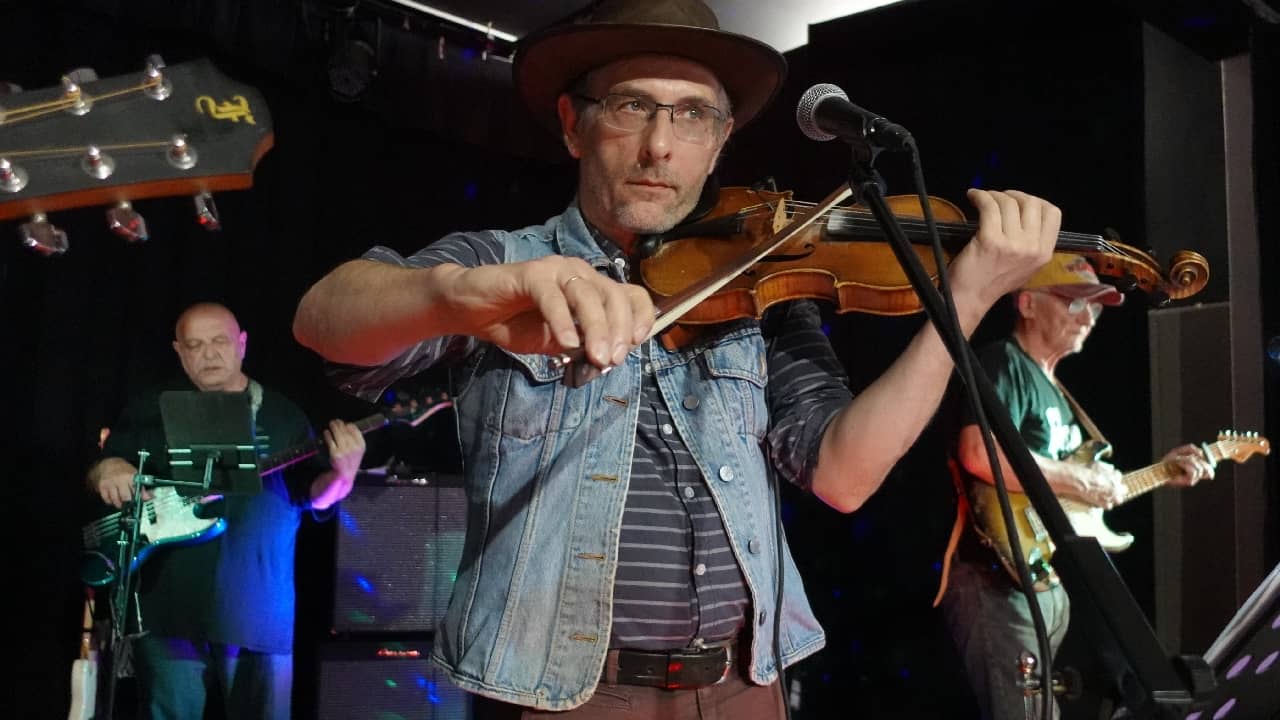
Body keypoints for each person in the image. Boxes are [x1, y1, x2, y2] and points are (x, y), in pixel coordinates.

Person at [291, 0, 1060, 715]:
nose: (660, 145)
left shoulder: (767, 283)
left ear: (720, 139)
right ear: (572, 124)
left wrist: (964, 300)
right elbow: (326, 320)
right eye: (632, 106)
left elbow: (844, 476)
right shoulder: (504, 266)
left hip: (741, 688)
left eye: (692, 115)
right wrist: (467, 294)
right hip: (560, 694)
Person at [936, 254, 1215, 720]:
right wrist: (1079, 478)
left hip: (1044, 578)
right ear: (1027, 304)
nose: (1089, 317)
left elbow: (1075, 495)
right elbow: (978, 455)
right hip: (997, 576)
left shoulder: (1055, 389)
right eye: (1074, 303)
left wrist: (1163, 470)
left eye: (1096, 308)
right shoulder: (1003, 362)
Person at [87, 302, 366, 720]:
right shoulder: (151, 409)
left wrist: (344, 475)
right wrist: (111, 468)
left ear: (242, 344)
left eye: (219, 342)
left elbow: (315, 496)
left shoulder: (282, 413)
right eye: (195, 345)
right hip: (169, 610)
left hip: (257, 609)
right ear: (179, 351)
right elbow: (106, 465)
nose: (209, 354)